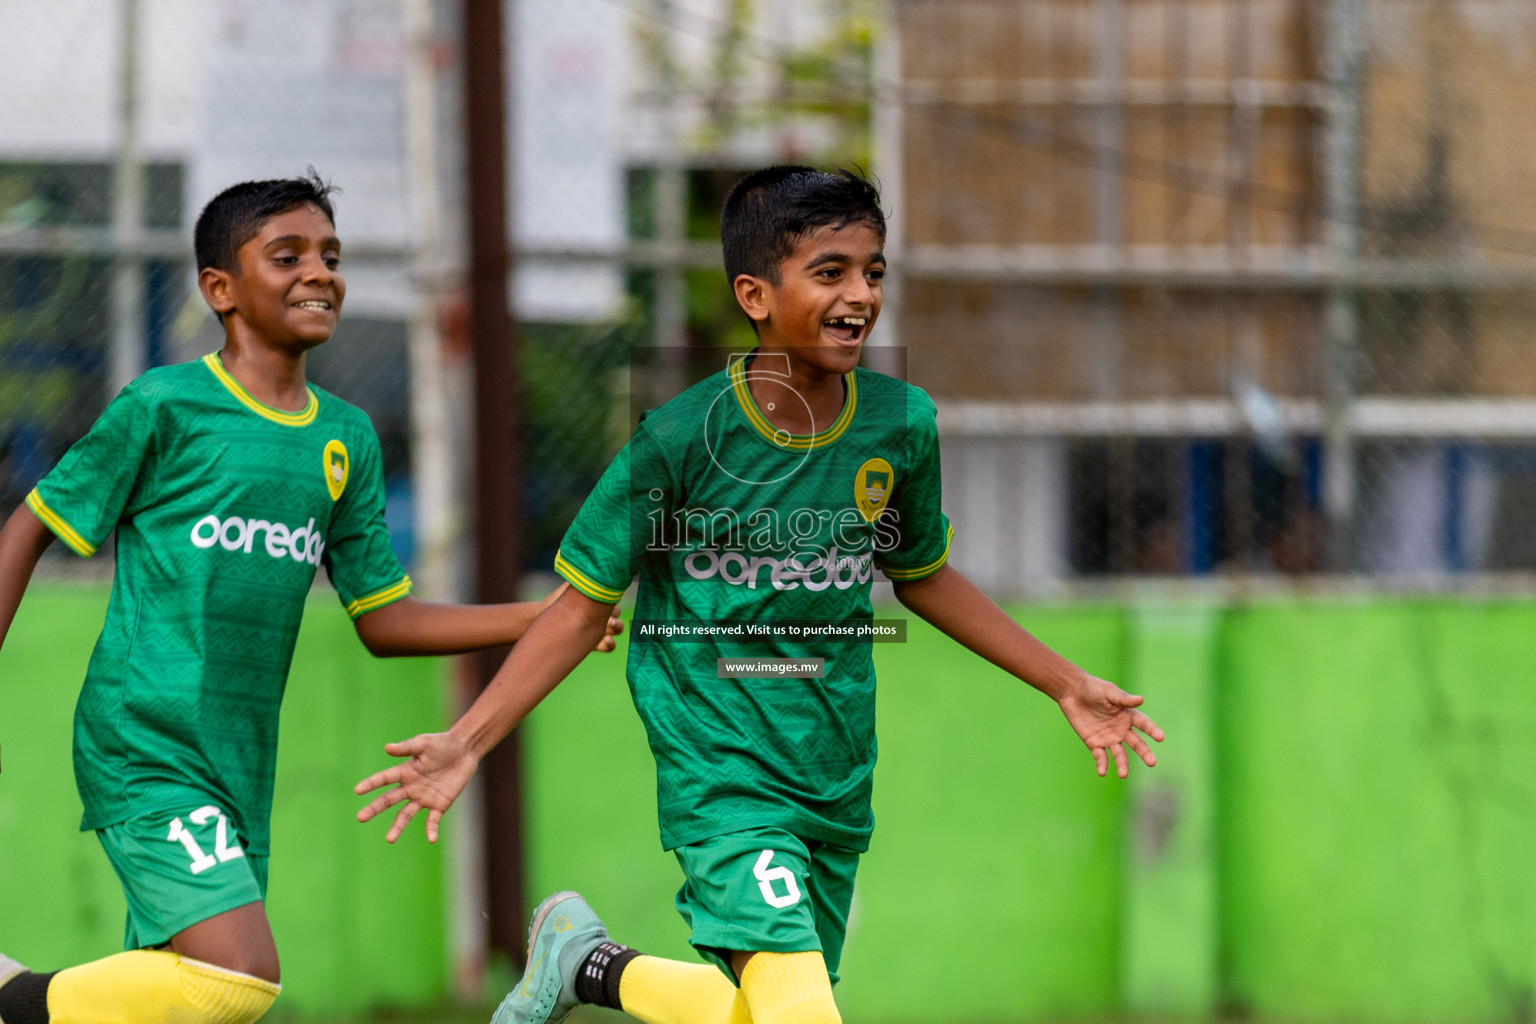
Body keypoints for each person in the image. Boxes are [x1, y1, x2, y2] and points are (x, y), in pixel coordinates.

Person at [353, 166, 1164, 1024]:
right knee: (799, 1014)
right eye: (830, 272)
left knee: (760, 1006)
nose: (860, 294)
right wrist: (469, 742)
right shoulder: (677, 440)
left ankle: (586, 965)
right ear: (753, 294)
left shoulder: (902, 423)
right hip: (722, 768)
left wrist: (1064, 682)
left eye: (873, 271)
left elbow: (922, 576)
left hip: (835, 769)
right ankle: (584, 960)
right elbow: (580, 606)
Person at [0, 174, 620, 1024]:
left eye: (331, 256)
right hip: (145, 740)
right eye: (285, 256)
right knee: (238, 976)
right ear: (220, 288)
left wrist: (544, 616)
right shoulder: (164, 406)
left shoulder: (346, 438)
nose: (318, 273)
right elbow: (27, 529)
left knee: (179, 999)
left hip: (240, 760)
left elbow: (385, 619)